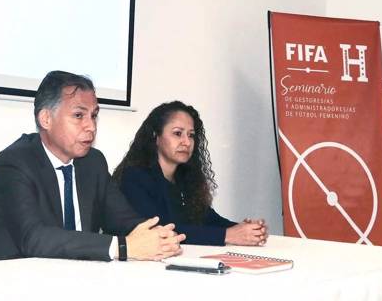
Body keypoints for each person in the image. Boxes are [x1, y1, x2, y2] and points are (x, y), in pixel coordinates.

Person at [0, 71, 185, 263]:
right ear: (46, 118)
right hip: (1, 284)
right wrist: (122, 247)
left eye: (94, 115)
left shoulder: (93, 162)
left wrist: (155, 236)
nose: (91, 126)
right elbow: (34, 239)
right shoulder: (14, 163)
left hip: (67, 281)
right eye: (78, 115)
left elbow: (123, 219)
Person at [113, 100, 268, 246]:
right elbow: (161, 231)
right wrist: (228, 235)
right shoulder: (134, 177)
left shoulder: (185, 177)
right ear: (156, 136)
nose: (186, 142)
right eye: (177, 133)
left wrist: (246, 229)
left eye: (191, 135)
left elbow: (208, 218)